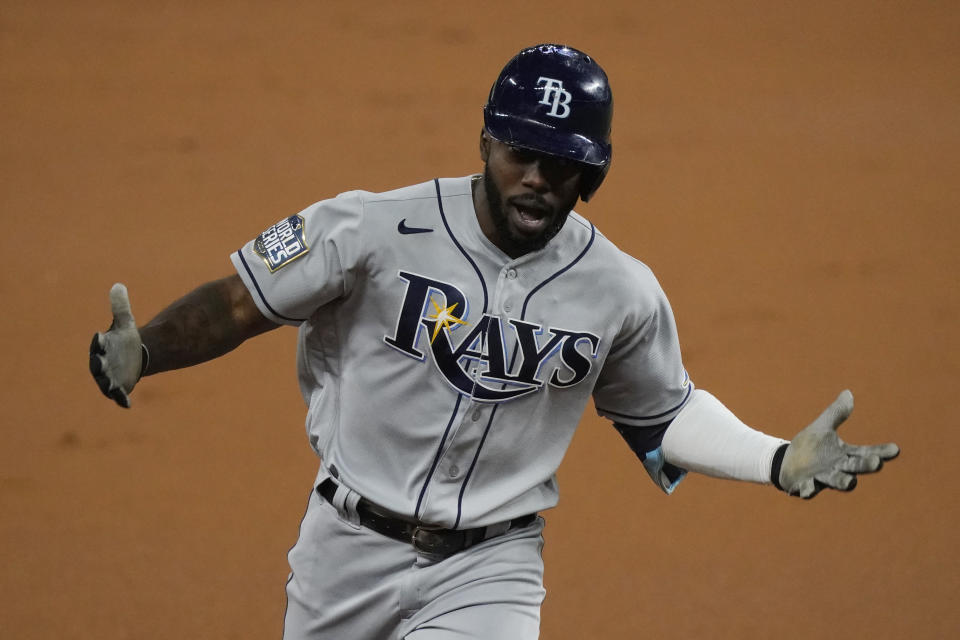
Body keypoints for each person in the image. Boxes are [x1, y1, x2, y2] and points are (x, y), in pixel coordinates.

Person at [89, 44, 899, 639]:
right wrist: (148, 348)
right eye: (520, 154)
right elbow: (241, 303)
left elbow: (661, 414)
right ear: (485, 142)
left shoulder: (618, 289)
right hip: (344, 550)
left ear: (594, 171)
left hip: (491, 567)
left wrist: (775, 458)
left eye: (561, 162)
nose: (537, 179)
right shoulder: (370, 228)